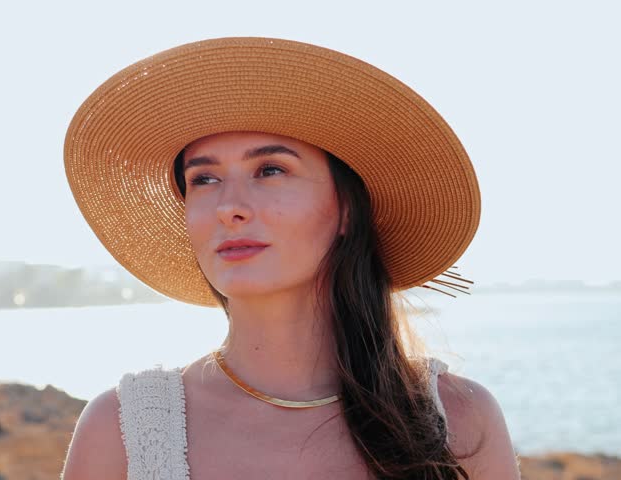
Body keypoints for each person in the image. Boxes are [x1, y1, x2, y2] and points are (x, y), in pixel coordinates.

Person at [59, 37, 520, 479]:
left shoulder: (458, 421)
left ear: (345, 210)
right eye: (203, 179)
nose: (228, 206)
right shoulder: (123, 430)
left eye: (271, 169)